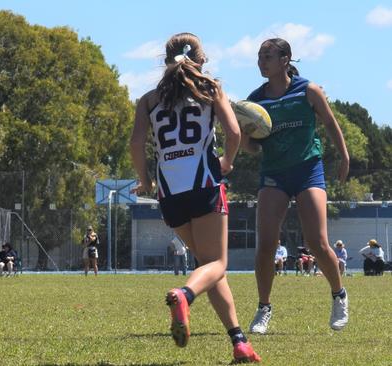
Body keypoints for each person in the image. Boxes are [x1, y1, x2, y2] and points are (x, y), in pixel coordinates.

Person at [130, 33, 260, 362]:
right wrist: (228, 161)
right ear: (201, 61)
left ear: (165, 61)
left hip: (169, 194)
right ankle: (184, 294)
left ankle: (239, 342)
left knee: (209, 266)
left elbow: (136, 144)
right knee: (217, 264)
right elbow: (233, 132)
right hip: (204, 184)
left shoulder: (148, 100)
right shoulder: (210, 90)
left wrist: (145, 181)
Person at [240, 38, 349, 334]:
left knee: (316, 241)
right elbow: (251, 148)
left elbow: (329, 123)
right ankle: (263, 308)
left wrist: (344, 155)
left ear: (285, 60)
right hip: (274, 173)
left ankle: (339, 294)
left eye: (267, 56)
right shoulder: (255, 101)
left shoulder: (308, 90)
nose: (261, 61)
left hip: (307, 170)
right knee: (265, 244)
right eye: (259, 56)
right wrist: (245, 134)